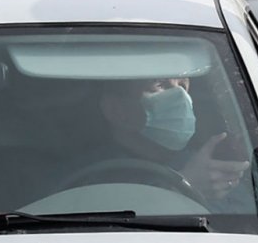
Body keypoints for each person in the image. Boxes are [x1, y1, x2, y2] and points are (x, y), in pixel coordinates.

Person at [98, 77, 249, 202]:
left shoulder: (205, 166)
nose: (181, 96)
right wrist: (183, 187)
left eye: (183, 85)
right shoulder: (93, 178)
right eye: (160, 85)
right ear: (115, 109)